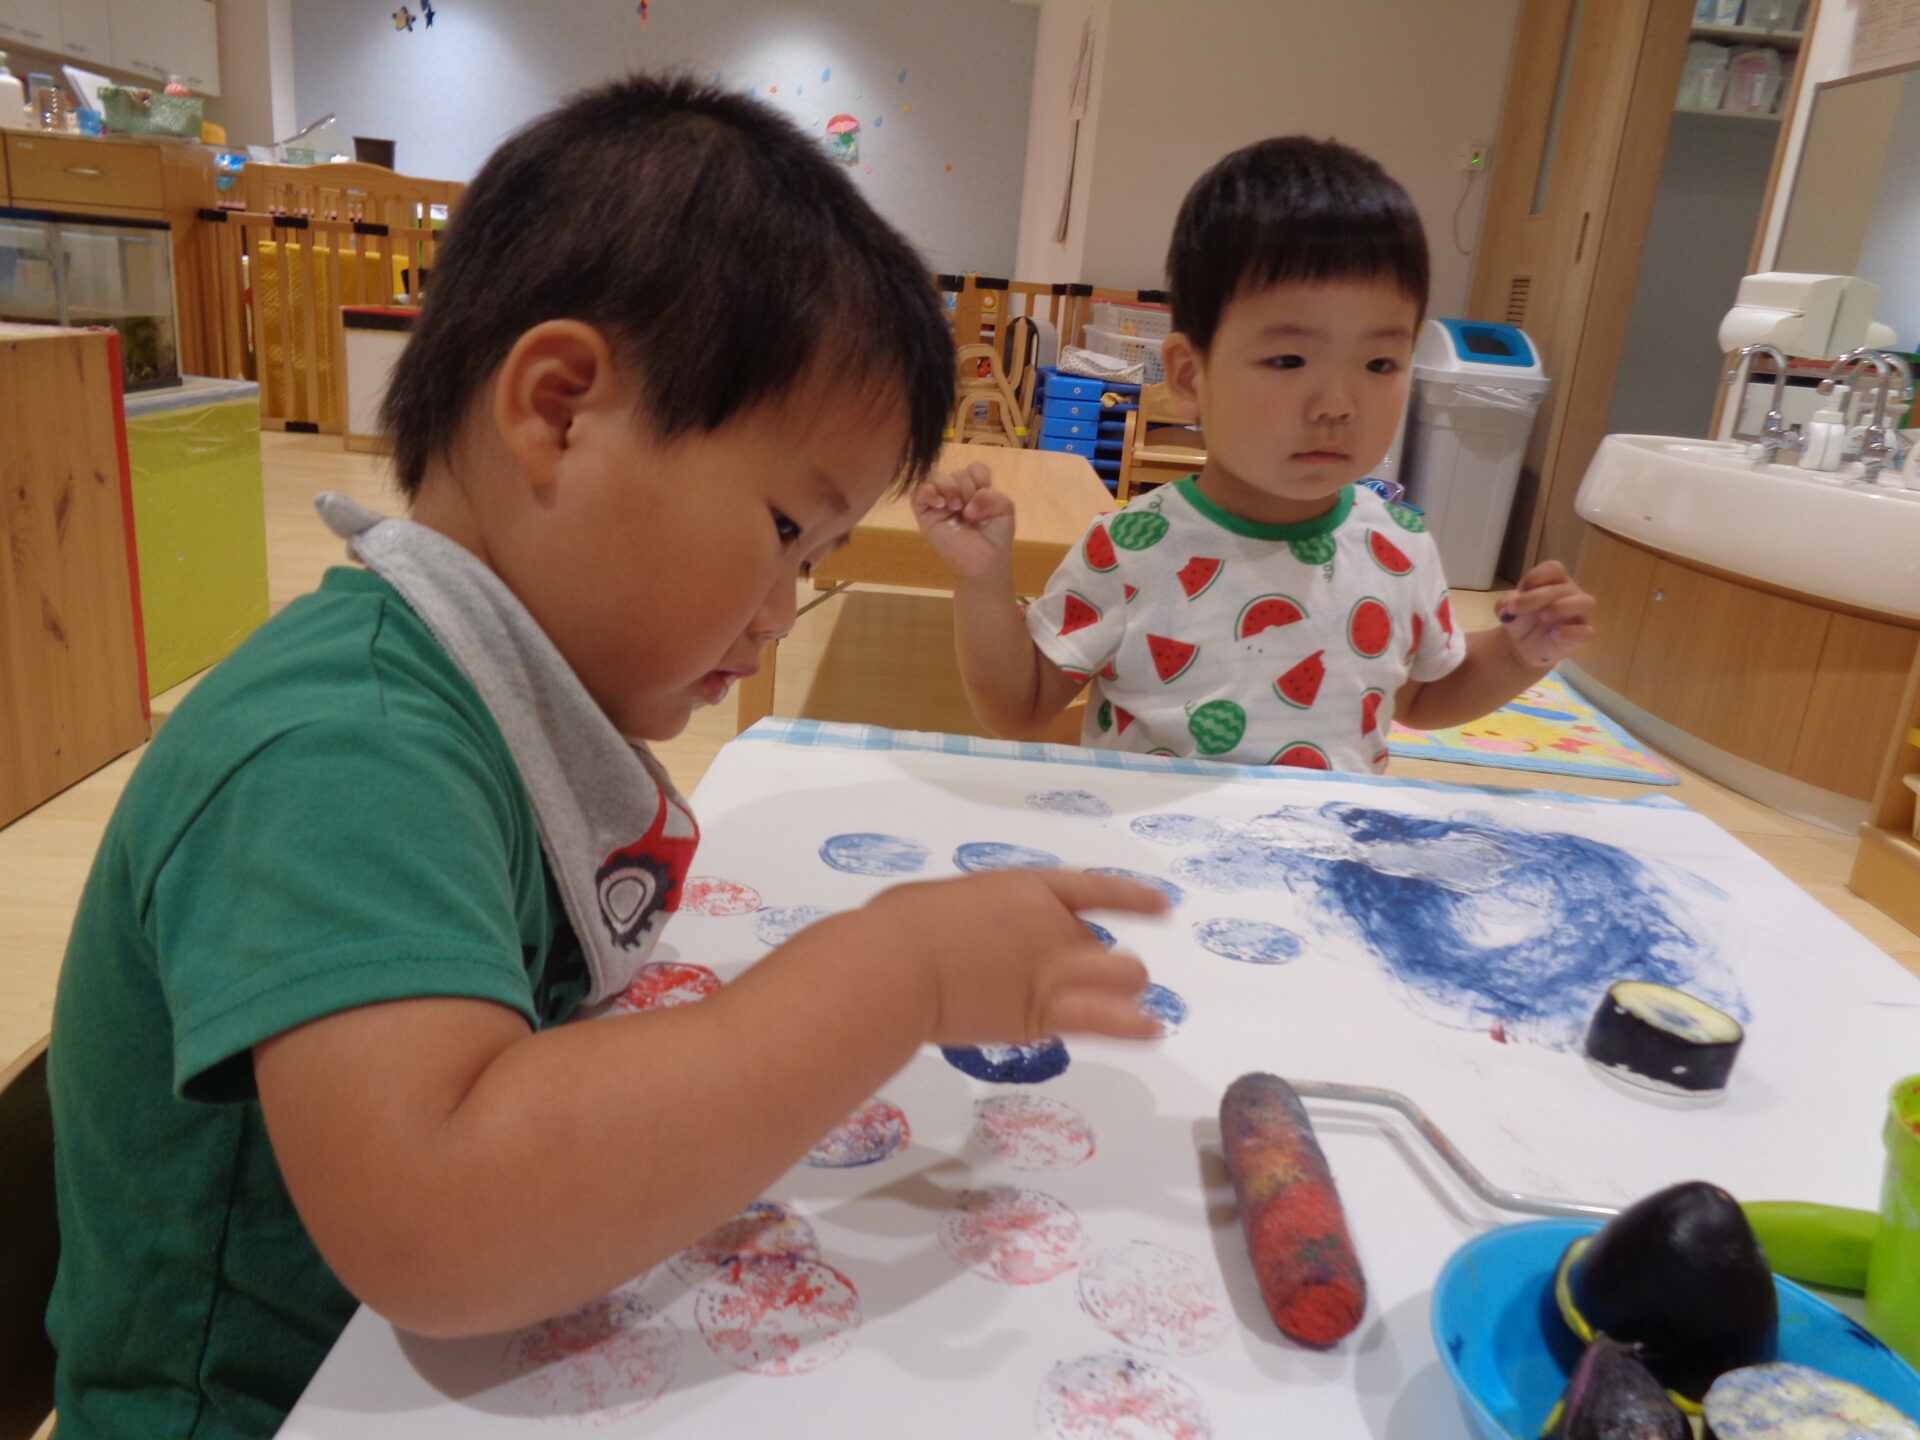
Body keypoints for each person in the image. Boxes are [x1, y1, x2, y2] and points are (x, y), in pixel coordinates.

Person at [45, 75, 1168, 1440]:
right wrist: (899, 975)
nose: (782, 610)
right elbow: (445, 1224)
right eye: (784, 531)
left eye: (815, 560)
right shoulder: (342, 750)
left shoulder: (478, 690)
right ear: (560, 411)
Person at [918, 136, 1595, 770]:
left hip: (1324, 849)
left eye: (1380, 363)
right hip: (1154, 845)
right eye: (1289, 359)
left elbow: (1421, 696)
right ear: (1190, 378)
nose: (1337, 403)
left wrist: (1516, 654)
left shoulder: (1401, 544)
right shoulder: (1129, 547)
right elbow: (1019, 708)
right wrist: (983, 581)